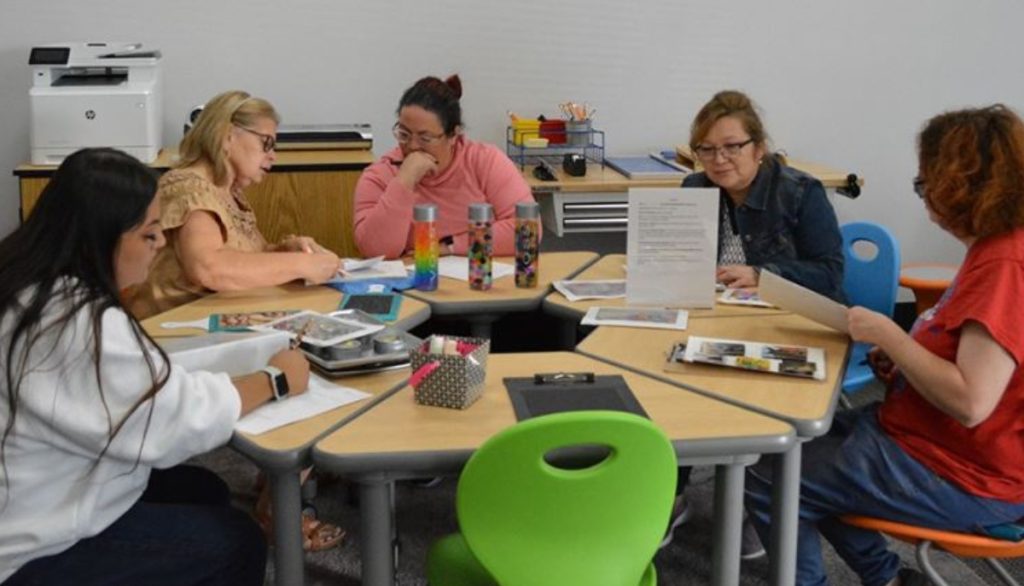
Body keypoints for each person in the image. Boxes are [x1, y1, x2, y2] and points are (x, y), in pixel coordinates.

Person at [0, 148, 312, 585]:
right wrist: (274, 380)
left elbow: (138, 383)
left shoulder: (30, 286)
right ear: (105, 239)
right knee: (237, 541)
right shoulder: (78, 322)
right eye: (149, 234)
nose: (162, 243)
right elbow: (169, 419)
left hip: (43, 483)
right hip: (30, 544)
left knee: (204, 490)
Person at [745, 104, 1024, 586]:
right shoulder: (996, 249)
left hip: (965, 474)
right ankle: (887, 579)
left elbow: (971, 401)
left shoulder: (1004, 266)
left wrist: (890, 334)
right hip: (932, 440)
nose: (924, 195)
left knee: (774, 477)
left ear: (959, 184)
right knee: (791, 448)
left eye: (924, 182)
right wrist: (903, 358)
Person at [126, 90, 341, 319]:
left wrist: (284, 250)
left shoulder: (228, 193)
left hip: (215, 322)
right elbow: (209, 268)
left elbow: (241, 259)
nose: (273, 156)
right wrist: (300, 264)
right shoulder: (189, 188)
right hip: (174, 327)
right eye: (266, 143)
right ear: (227, 136)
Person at [682, 90, 845, 301]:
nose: (719, 159)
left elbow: (830, 274)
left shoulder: (801, 192)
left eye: (732, 147)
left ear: (759, 149)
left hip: (789, 310)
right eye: (707, 149)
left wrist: (761, 275)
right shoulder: (695, 188)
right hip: (718, 306)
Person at [354, 75, 538, 259]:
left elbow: (528, 231)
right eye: (404, 134)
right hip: (418, 275)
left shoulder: (485, 161)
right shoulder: (380, 175)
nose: (412, 146)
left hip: (478, 273)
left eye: (425, 138)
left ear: (453, 136)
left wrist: (452, 246)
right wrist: (404, 181)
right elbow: (375, 251)